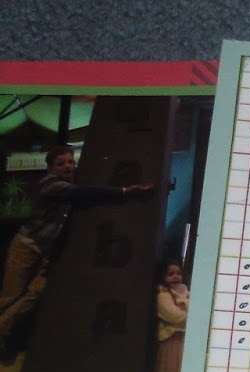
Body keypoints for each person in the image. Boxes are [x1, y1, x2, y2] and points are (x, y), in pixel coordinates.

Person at [0, 146, 156, 343]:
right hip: (27, 245)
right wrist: (124, 191)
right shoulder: (51, 184)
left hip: (45, 250)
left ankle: (3, 328)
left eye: (70, 162)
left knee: (36, 292)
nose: (67, 166)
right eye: (61, 164)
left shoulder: (68, 184)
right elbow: (85, 192)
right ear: (50, 168)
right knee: (11, 294)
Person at [154, 261, 189, 372]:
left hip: (185, 338)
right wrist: (189, 314)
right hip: (172, 340)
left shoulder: (186, 292)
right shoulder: (164, 295)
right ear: (163, 277)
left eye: (178, 273)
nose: (176, 276)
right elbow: (174, 316)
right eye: (171, 274)